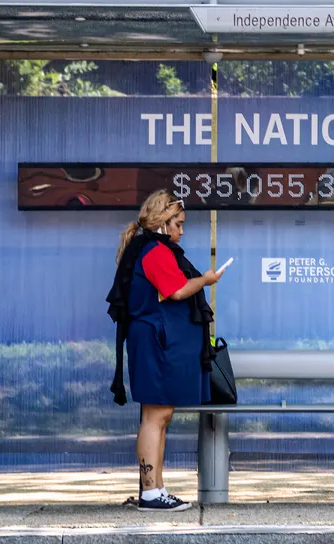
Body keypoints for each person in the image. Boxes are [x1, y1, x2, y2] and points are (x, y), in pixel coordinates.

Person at [106, 189, 222, 512]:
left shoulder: (149, 249)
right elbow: (177, 290)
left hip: (153, 341)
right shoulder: (155, 252)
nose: (182, 231)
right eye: (178, 224)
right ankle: (150, 490)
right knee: (155, 417)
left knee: (160, 416)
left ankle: (156, 488)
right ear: (161, 222)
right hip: (153, 342)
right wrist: (207, 280)